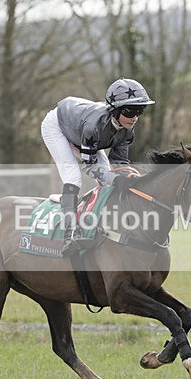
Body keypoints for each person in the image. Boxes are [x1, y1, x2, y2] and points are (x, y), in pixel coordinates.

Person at [41, 77, 155, 255]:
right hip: (58, 126)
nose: (134, 118)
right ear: (115, 110)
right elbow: (89, 167)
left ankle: (106, 224)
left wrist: (129, 178)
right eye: (129, 111)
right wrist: (115, 180)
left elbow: (119, 164)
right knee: (73, 177)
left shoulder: (127, 131)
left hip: (81, 128)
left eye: (140, 111)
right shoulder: (93, 127)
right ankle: (70, 233)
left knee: (109, 176)